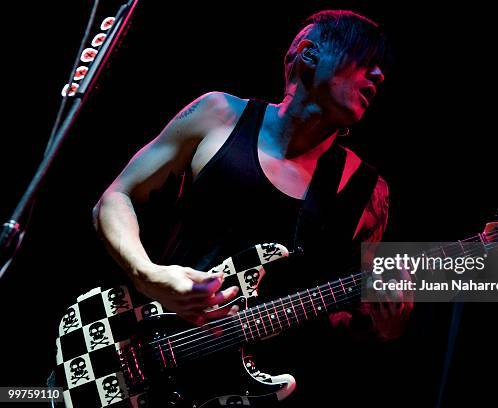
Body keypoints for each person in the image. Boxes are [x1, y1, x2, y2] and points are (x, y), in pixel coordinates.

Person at [93, 9, 411, 406]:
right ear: (309, 54)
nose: (379, 76)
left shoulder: (366, 190)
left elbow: (351, 320)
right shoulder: (219, 115)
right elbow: (115, 197)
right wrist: (148, 275)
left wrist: (387, 323)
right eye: (366, 60)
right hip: (138, 349)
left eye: (382, 69)